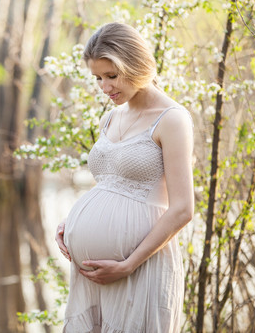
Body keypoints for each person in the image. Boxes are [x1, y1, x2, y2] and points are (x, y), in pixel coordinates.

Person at [55, 22, 194, 332]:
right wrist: (72, 224)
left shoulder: (171, 119)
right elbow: (111, 185)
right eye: (98, 78)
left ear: (136, 64)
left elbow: (183, 209)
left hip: (140, 268)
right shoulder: (110, 117)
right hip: (94, 277)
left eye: (112, 76)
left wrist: (126, 265)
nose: (105, 88)